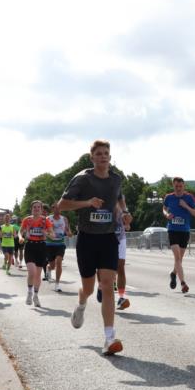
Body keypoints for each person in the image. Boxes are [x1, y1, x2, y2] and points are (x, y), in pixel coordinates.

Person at [58, 139, 132, 355]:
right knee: (89, 288)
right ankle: (81, 304)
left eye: (106, 153)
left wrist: (124, 213)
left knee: (107, 285)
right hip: (87, 239)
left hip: (108, 237)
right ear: (92, 158)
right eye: (99, 153)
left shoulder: (116, 179)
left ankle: (109, 339)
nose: (103, 156)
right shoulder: (83, 179)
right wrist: (87, 203)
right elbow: (62, 205)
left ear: (110, 156)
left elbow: (118, 199)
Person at [164, 177, 195, 294]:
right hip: (172, 230)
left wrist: (186, 206)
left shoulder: (189, 197)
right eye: (176, 186)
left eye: (180, 186)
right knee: (177, 258)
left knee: (179, 259)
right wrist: (166, 214)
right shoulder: (169, 197)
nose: (178, 188)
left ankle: (173, 273)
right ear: (173, 186)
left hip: (184, 231)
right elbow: (164, 208)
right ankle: (183, 283)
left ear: (184, 186)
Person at [19, 200, 54, 307]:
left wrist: (46, 233)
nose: (37, 209)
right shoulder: (27, 220)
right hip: (30, 246)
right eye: (35, 207)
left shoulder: (45, 221)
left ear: (41, 209)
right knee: (32, 272)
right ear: (31, 208)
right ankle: (29, 292)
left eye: (39, 207)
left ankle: (36, 295)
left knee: (38, 274)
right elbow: (21, 232)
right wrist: (21, 238)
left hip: (41, 247)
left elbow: (53, 235)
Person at [45, 203, 70, 291]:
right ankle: (49, 269)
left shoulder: (64, 219)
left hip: (60, 244)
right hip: (49, 245)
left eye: (59, 208)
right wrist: (50, 235)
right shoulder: (48, 219)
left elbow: (67, 229)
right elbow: (44, 231)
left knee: (58, 262)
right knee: (52, 266)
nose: (58, 210)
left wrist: (69, 233)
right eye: (55, 208)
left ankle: (57, 284)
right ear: (52, 210)